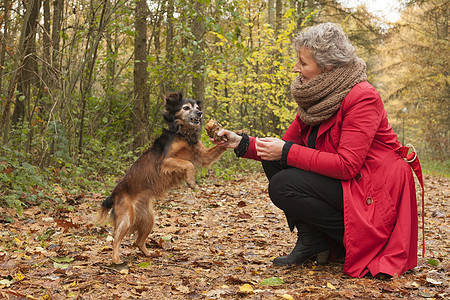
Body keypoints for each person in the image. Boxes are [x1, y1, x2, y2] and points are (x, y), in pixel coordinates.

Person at [212, 22, 422, 278]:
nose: (295, 68)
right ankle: (313, 241)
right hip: (352, 182)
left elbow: (347, 165)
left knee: (283, 182)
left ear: (327, 67)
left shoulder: (363, 96)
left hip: (373, 186)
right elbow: (285, 144)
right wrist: (239, 142)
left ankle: (355, 241)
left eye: (303, 62)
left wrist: (286, 151)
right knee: (274, 160)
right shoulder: (320, 96)